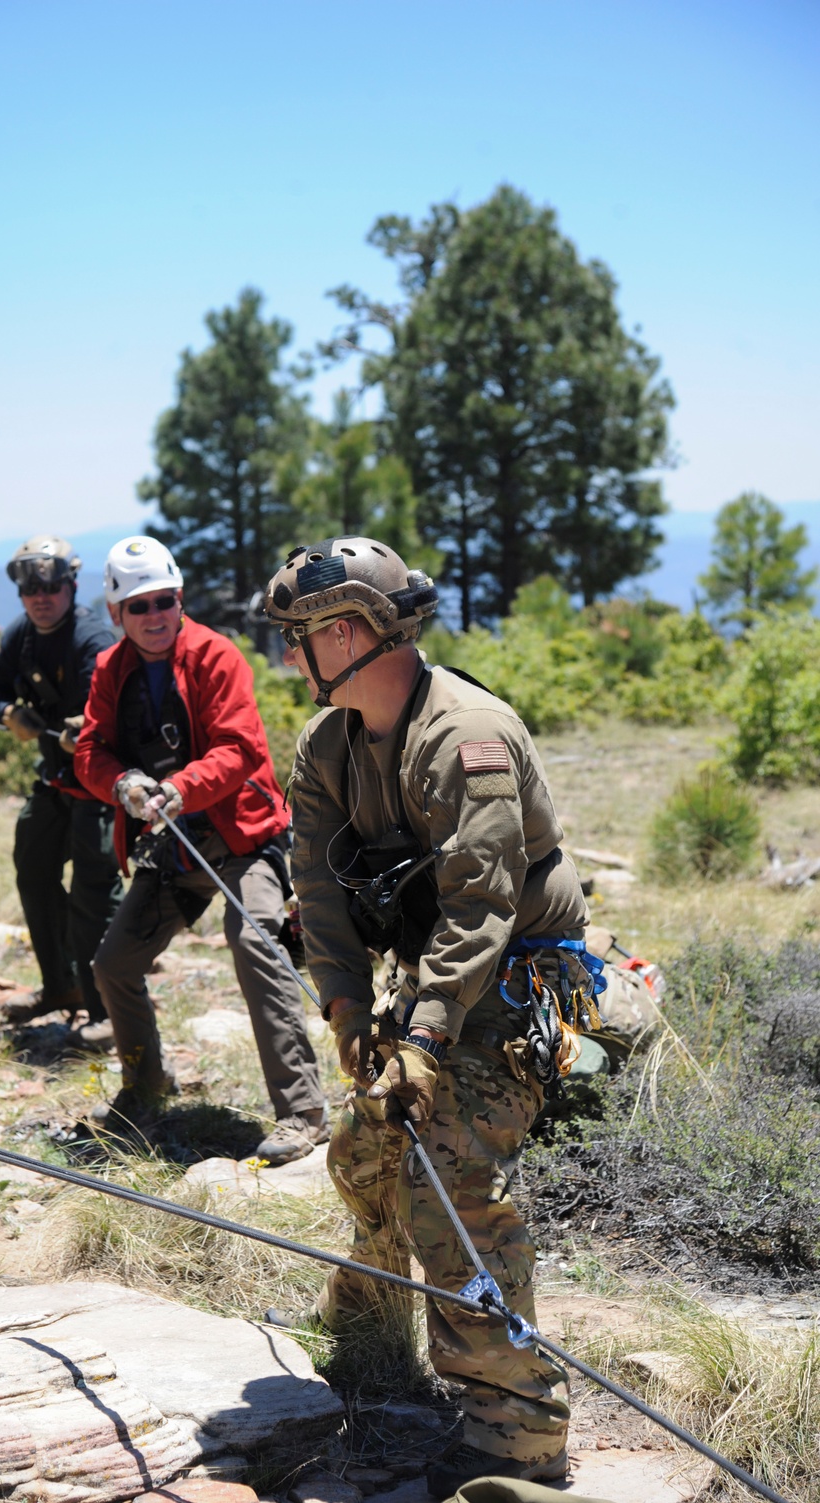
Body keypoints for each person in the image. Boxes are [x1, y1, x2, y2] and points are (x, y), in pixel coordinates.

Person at [264, 537, 596, 1495]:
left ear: (353, 631)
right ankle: (372, 1317)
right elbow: (319, 894)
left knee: (450, 1173)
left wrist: (423, 1036)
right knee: (364, 1146)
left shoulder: (466, 736)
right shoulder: (326, 748)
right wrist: (346, 1010)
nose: (293, 658)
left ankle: (517, 1427)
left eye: (304, 638)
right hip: (434, 985)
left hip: (517, 981)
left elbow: (482, 905)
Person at [74, 535, 328, 1165]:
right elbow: (89, 752)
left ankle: (302, 1114)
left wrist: (176, 790)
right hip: (175, 845)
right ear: (116, 615)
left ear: (180, 598)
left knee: (255, 944)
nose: (155, 615)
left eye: (164, 600)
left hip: (244, 837)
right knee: (114, 963)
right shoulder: (111, 671)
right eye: (139, 606)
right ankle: (144, 1084)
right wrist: (124, 784)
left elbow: (241, 749)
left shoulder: (216, 655)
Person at [0, 535, 123, 1040]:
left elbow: (103, 713)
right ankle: (60, 985)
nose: (40, 596)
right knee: (33, 872)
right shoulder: (21, 635)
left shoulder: (91, 639)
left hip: (96, 789)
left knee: (94, 894)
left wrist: (83, 731)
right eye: (30, 588)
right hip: (55, 783)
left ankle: (107, 1010)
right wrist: (7, 713)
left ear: (70, 586)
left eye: (51, 585)